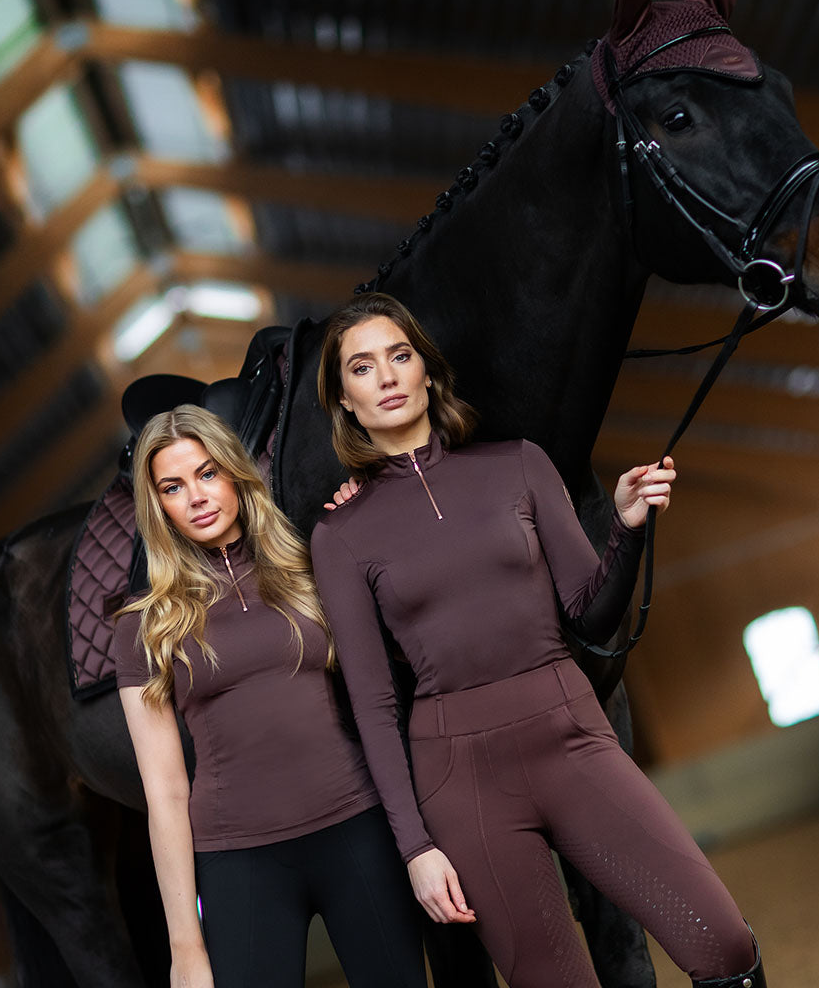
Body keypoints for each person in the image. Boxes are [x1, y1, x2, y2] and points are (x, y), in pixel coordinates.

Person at [309, 293, 766, 988]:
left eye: (400, 356)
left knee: (724, 942)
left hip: (571, 736)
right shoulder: (340, 535)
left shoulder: (519, 465)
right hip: (459, 779)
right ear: (345, 399)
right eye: (363, 367)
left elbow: (589, 613)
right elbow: (372, 705)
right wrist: (415, 848)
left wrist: (627, 529)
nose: (388, 377)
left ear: (427, 370)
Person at [114, 404, 426, 988]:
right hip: (239, 860)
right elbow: (165, 792)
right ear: (158, 506)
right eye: (173, 487)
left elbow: (395, 671)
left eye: (208, 473)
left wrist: (367, 515)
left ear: (235, 473)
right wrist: (185, 947)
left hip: (356, 828)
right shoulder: (144, 626)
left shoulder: (316, 563)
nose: (197, 497)